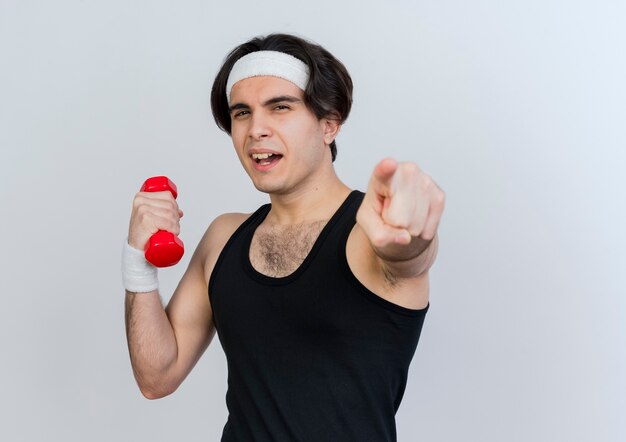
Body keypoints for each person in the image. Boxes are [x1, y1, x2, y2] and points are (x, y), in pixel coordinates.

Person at [122, 33, 445, 441]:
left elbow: (409, 256)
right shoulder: (224, 237)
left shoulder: (371, 232)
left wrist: (412, 234)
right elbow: (156, 376)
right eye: (242, 113)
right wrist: (137, 260)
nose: (256, 129)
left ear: (329, 123)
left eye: (280, 107)